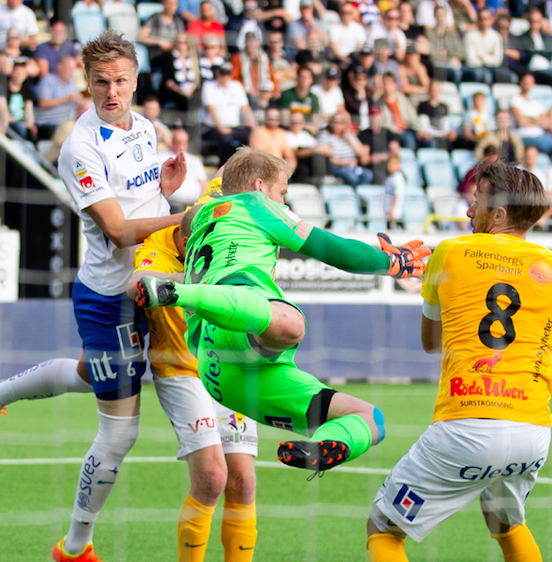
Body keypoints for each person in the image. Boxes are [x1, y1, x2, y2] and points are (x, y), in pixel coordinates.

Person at [0, 31, 188, 562]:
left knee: (92, 376)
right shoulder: (79, 148)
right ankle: (75, 547)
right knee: (121, 431)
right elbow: (118, 230)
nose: (112, 92)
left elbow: (141, 202)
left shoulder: (146, 128)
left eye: (121, 81)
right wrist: (185, 216)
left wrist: (167, 191)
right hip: (111, 297)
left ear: (135, 81)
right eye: (101, 82)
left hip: (153, 281)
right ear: (85, 83)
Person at [136, 147, 429, 478]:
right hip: (235, 326)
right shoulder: (257, 206)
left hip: (221, 368)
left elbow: (225, 180)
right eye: (282, 192)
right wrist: (391, 262)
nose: (285, 204)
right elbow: (335, 250)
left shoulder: (202, 216)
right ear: (260, 187)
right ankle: (177, 294)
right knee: (290, 323)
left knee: (369, 418)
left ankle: (322, 447)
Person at [366, 160, 551, 562]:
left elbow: (431, 344)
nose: (469, 211)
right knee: (506, 522)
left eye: (477, 201)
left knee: (382, 527)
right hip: (533, 431)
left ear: (498, 213)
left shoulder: (449, 252)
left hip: (467, 425)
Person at [127, 194, 260, 562]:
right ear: (187, 242)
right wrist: (196, 280)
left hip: (229, 366)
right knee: (213, 477)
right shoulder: (159, 250)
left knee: (243, 480)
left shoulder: (221, 227)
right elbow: (139, 284)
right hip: (180, 370)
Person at [202, 62, 255, 166]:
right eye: (222, 74)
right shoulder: (209, 86)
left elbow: (245, 108)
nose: (224, 77)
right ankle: (223, 167)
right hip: (213, 126)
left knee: (251, 136)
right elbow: (211, 109)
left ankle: (246, 165)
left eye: (227, 75)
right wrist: (221, 127)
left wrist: (254, 127)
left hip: (234, 126)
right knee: (225, 138)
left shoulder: (236, 86)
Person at [34, 55, 82, 140]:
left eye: (73, 69)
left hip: (68, 124)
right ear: (59, 67)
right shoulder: (48, 80)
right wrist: (67, 99)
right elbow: (43, 103)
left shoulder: (72, 85)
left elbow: (77, 106)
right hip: (49, 123)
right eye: (69, 68)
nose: (71, 72)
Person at [318, 114, 374, 187]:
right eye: (335, 122)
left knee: (368, 175)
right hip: (336, 168)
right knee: (352, 178)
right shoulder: (325, 135)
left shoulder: (349, 135)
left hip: (352, 168)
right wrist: (346, 162)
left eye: (341, 122)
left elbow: (361, 152)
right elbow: (327, 159)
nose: (337, 125)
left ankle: (358, 195)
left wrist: (348, 137)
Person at [159, 129, 208, 210]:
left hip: (193, 204)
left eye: (184, 142)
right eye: (178, 142)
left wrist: (201, 202)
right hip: (172, 203)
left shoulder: (195, 160)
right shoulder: (161, 157)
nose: (181, 145)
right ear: (172, 142)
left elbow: (203, 182)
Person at [463, 9, 511, 84]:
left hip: (492, 68)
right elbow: (471, 61)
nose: (484, 22)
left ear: (490, 20)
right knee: (485, 76)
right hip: (475, 68)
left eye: (486, 19)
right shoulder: (470, 35)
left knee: (511, 77)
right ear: (478, 20)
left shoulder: (496, 36)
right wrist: (488, 55)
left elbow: (497, 61)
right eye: (481, 19)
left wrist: (481, 56)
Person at [510, 72, 552, 154]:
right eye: (525, 82)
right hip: (524, 136)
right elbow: (521, 122)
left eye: (530, 83)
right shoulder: (515, 99)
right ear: (521, 82)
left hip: (540, 136)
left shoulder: (536, 103)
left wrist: (528, 119)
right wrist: (537, 121)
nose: (527, 84)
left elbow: (547, 123)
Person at [0, 58, 37, 139]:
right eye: (17, 72)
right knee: (20, 128)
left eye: (22, 73)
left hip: (22, 122)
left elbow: (29, 110)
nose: (19, 75)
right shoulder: (4, 88)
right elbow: (3, 111)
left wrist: (30, 124)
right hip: (9, 122)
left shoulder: (27, 90)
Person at [425, 5, 466, 84]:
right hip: (438, 65)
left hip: (452, 64)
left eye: (442, 15)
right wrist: (449, 55)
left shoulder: (451, 33)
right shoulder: (429, 33)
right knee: (456, 73)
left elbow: (461, 52)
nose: (441, 17)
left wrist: (449, 54)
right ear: (434, 16)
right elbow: (432, 54)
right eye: (438, 15)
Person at [381, 72, 422, 149]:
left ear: (394, 84)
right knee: (408, 139)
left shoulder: (402, 99)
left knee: (428, 141)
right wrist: (393, 128)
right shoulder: (379, 103)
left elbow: (412, 116)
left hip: (408, 128)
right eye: (384, 84)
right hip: (392, 132)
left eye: (389, 84)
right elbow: (382, 123)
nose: (386, 87)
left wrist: (420, 129)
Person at [360, 106, 401, 184]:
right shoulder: (364, 135)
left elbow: (396, 152)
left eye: (377, 117)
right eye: (373, 117)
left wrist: (382, 156)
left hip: (387, 166)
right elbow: (364, 160)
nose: (375, 119)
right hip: (372, 167)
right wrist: (373, 159)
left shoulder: (388, 133)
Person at [287, 110, 330, 185]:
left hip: (311, 165)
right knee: (317, 156)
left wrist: (319, 149)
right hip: (299, 166)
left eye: (299, 122)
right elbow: (295, 153)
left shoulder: (306, 135)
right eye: (293, 122)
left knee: (320, 156)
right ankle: (319, 181)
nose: (296, 125)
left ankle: (324, 178)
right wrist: (314, 150)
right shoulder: (286, 135)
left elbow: (325, 149)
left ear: (303, 123)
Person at [159, 33, 199, 112]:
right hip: (175, 91)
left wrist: (189, 91)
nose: (181, 44)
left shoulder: (193, 57)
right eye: (179, 42)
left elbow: (196, 79)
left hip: (190, 91)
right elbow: (168, 82)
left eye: (184, 42)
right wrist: (182, 92)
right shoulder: (168, 57)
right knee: (184, 101)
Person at [279, 66, 321, 135]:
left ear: (311, 80)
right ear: (297, 78)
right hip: (289, 132)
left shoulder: (314, 98)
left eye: (307, 77)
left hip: (307, 133)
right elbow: (284, 121)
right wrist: (299, 125)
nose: (304, 80)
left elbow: (316, 123)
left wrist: (301, 125)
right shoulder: (287, 94)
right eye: (302, 77)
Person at [417, 80, 457, 150]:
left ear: (440, 91)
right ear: (428, 90)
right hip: (429, 136)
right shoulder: (422, 106)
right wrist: (439, 134)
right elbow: (424, 126)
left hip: (441, 135)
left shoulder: (444, 107)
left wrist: (447, 133)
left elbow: (445, 125)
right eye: (432, 89)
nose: (434, 92)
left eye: (436, 90)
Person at [384, 153, 405, 227]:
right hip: (389, 213)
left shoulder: (397, 178)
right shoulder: (390, 177)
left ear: (399, 165)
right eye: (389, 163)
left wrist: (392, 211)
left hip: (395, 214)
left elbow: (397, 195)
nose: (390, 165)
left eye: (393, 163)